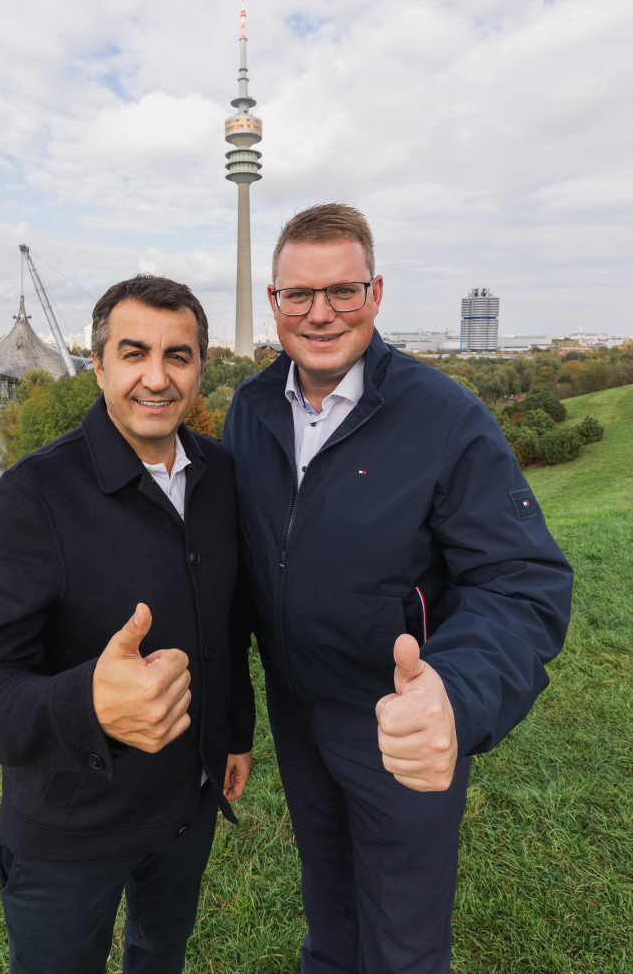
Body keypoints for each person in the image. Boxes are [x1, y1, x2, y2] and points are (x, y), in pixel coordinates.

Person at [222, 204, 572, 974]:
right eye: (299, 295)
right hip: (297, 706)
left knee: (404, 936)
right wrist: (230, 712)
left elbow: (522, 582)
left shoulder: (445, 418)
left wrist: (458, 692)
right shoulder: (247, 411)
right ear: (273, 300)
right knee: (329, 902)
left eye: (343, 291)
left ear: (376, 293)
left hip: (396, 716)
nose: (321, 314)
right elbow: (238, 570)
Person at [0, 275, 254, 974]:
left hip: (186, 805)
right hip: (68, 832)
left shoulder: (220, 475)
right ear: (99, 364)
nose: (156, 377)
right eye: (134, 352)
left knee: (160, 954)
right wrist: (90, 704)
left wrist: (233, 733)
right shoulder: (36, 495)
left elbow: (226, 622)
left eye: (179, 356)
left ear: (202, 367)